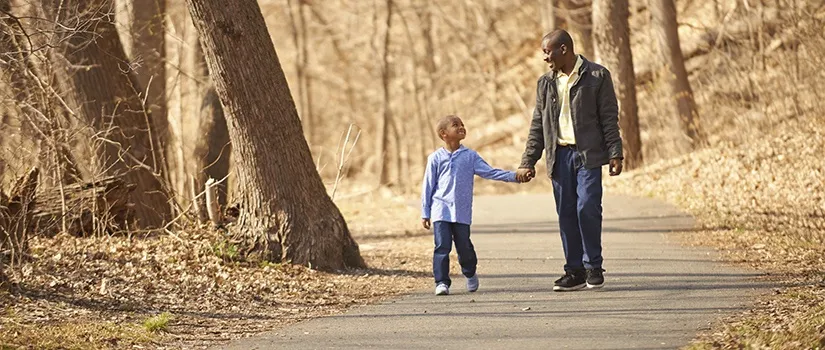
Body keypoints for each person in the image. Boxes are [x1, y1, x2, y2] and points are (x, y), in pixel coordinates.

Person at [515, 30, 624, 292]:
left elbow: (609, 117)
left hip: (587, 155)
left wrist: (615, 152)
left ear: (564, 49)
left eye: (547, 51)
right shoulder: (545, 83)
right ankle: (574, 270)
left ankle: (593, 266)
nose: (545, 57)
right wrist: (528, 160)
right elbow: (538, 125)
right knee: (566, 214)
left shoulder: (597, 76)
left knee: (587, 207)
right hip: (559, 156)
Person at [421, 115, 524, 296]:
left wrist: (513, 176)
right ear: (443, 134)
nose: (461, 127)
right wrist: (425, 212)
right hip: (440, 210)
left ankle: (469, 273)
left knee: (464, 246)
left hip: (461, 211)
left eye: (462, 124)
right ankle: (441, 282)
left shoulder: (470, 156)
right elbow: (428, 186)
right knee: (441, 246)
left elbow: (489, 172)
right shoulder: (435, 158)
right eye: (456, 125)